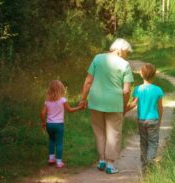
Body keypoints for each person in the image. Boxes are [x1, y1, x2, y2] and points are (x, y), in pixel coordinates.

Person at [79, 38, 134, 174]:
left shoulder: (97, 58)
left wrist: (82, 99)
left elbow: (88, 81)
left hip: (96, 101)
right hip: (114, 103)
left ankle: (101, 160)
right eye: (127, 52)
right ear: (121, 50)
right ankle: (110, 164)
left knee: (99, 131)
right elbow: (126, 90)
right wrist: (124, 105)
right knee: (114, 132)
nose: (127, 55)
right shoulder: (125, 65)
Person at [125, 63, 164, 172]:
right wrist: (159, 121)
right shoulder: (158, 90)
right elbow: (160, 107)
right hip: (153, 120)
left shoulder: (138, 89)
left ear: (141, 74)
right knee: (153, 142)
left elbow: (133, 104)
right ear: (154, 75)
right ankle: (150, 162)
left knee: (143, 141)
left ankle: (144, 163)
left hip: (141, 120)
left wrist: (122, 111)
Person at [41, 80, 83, 168]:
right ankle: (59, 162)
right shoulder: (62, 100)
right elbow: (70, 110)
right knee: (59, 143)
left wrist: (43, 122)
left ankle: (51, 158)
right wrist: (79, 107)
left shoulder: (47, 101)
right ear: (61, 89)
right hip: (59, 125)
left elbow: (42, 113)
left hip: (49, 124)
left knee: (51, 140)